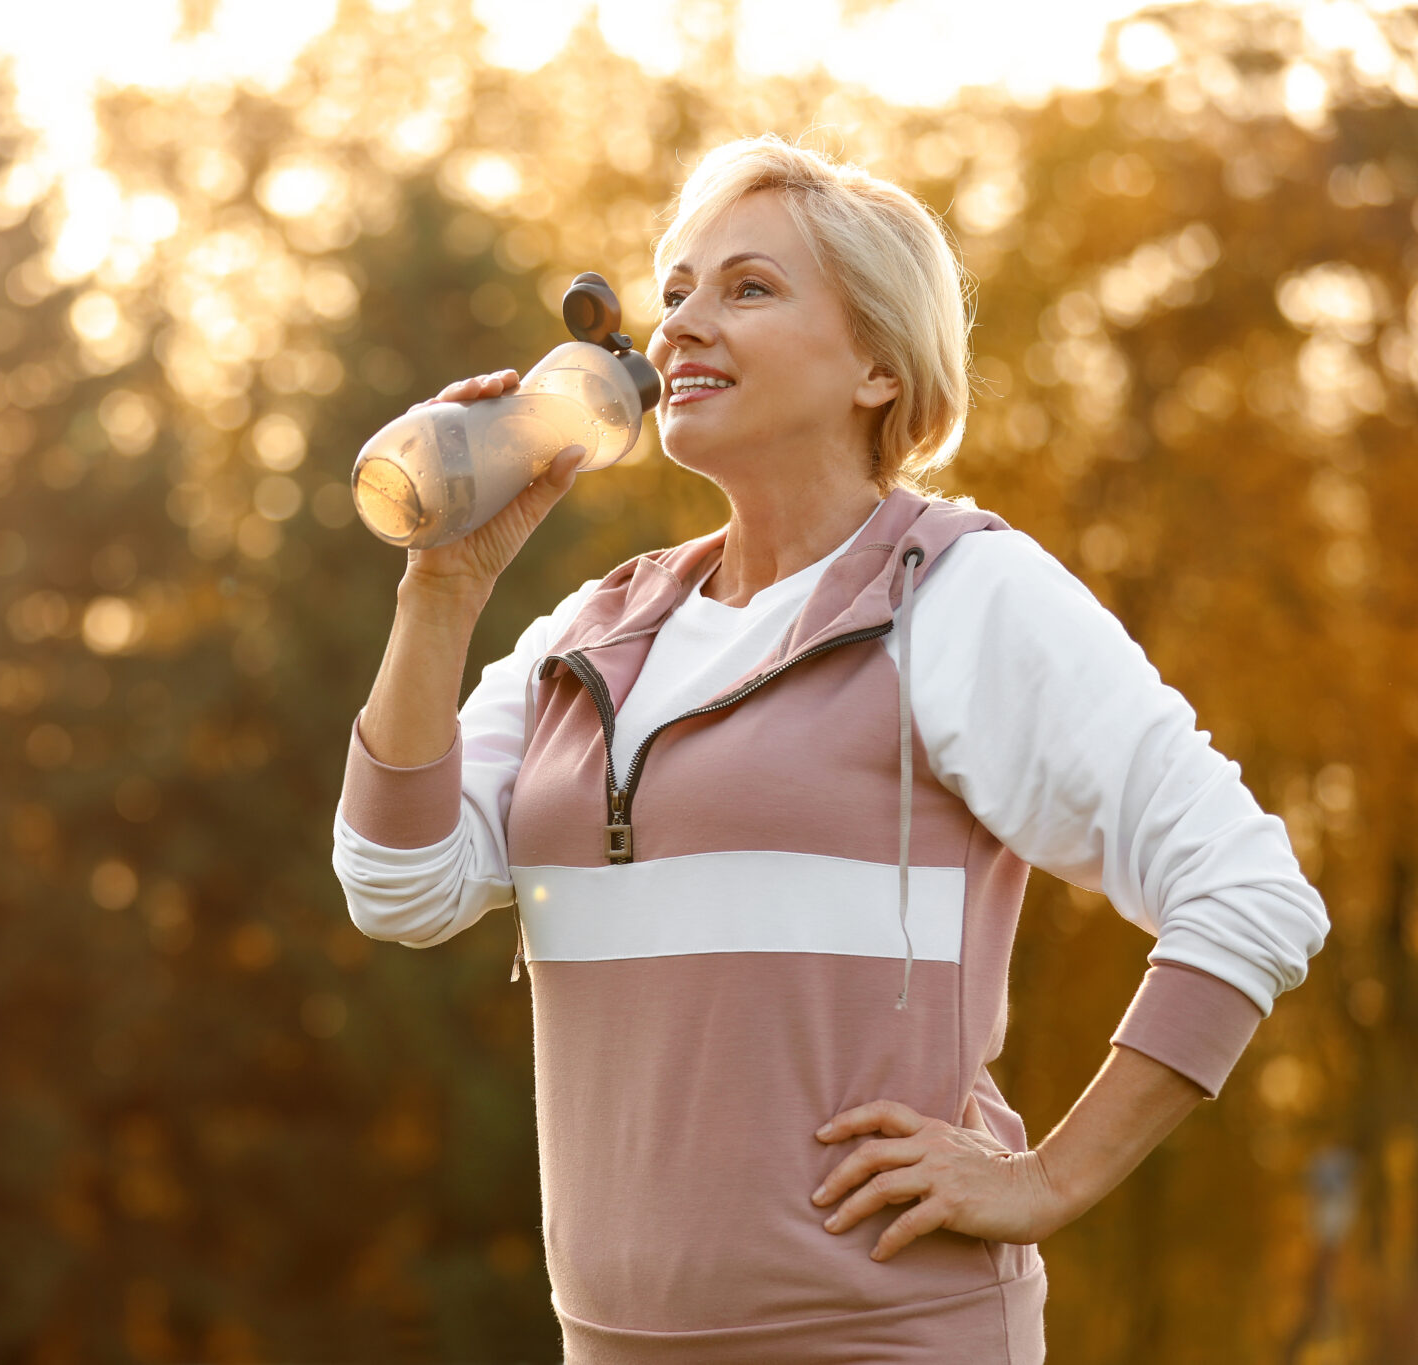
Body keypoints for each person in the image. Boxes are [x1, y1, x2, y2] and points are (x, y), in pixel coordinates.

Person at [328, 132, 1330, 1363]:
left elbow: (1247, 892)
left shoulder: (961, 594)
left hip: (885, 1340)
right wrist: (441, 592)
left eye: (747, 288)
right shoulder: (590, 633)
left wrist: (1049, 1179)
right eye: (676, 289)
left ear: (874, 365)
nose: (685, 323)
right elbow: (396, 887)